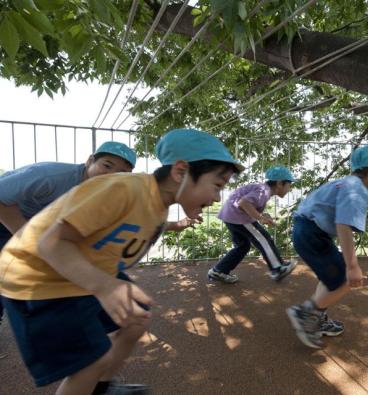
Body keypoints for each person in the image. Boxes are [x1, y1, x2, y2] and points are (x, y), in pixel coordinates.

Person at [0, 128, 242, 394]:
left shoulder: (157, 207)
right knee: (91, 362)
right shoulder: (123, 187)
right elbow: (51, 242)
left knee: (134, 319)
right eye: (217, 185)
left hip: (79, 270)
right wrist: (105, 286)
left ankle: (101, 388)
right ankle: (92, 381)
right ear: (181, 171)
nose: (218, 197)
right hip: (37, 277)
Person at [0, 141, 136, 347]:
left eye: (122, 173)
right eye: (107, 166)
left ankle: (87, 338)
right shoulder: (50, 176)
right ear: (90, 161)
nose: (112, 176)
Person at [286, 144, 368, 348]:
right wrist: (352, 266)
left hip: (307, 232)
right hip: (311, 234)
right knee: (345, 278)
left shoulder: (347, 183)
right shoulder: (357, 189)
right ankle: (306, 314)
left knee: (330, 279)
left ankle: (317, 317)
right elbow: (343, 224)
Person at [208, 165, 297, 283]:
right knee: (263, 239)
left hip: (230, 216)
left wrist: (262, 215)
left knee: (242, 246)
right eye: (289, 185)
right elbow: (243, 203)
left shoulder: (262, 190)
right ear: (280, 183)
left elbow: (250, 204)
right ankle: (278, 268)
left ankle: (219, 270)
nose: (289, 189)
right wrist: (260, 218)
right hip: (239, 217)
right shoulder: (264, 191)